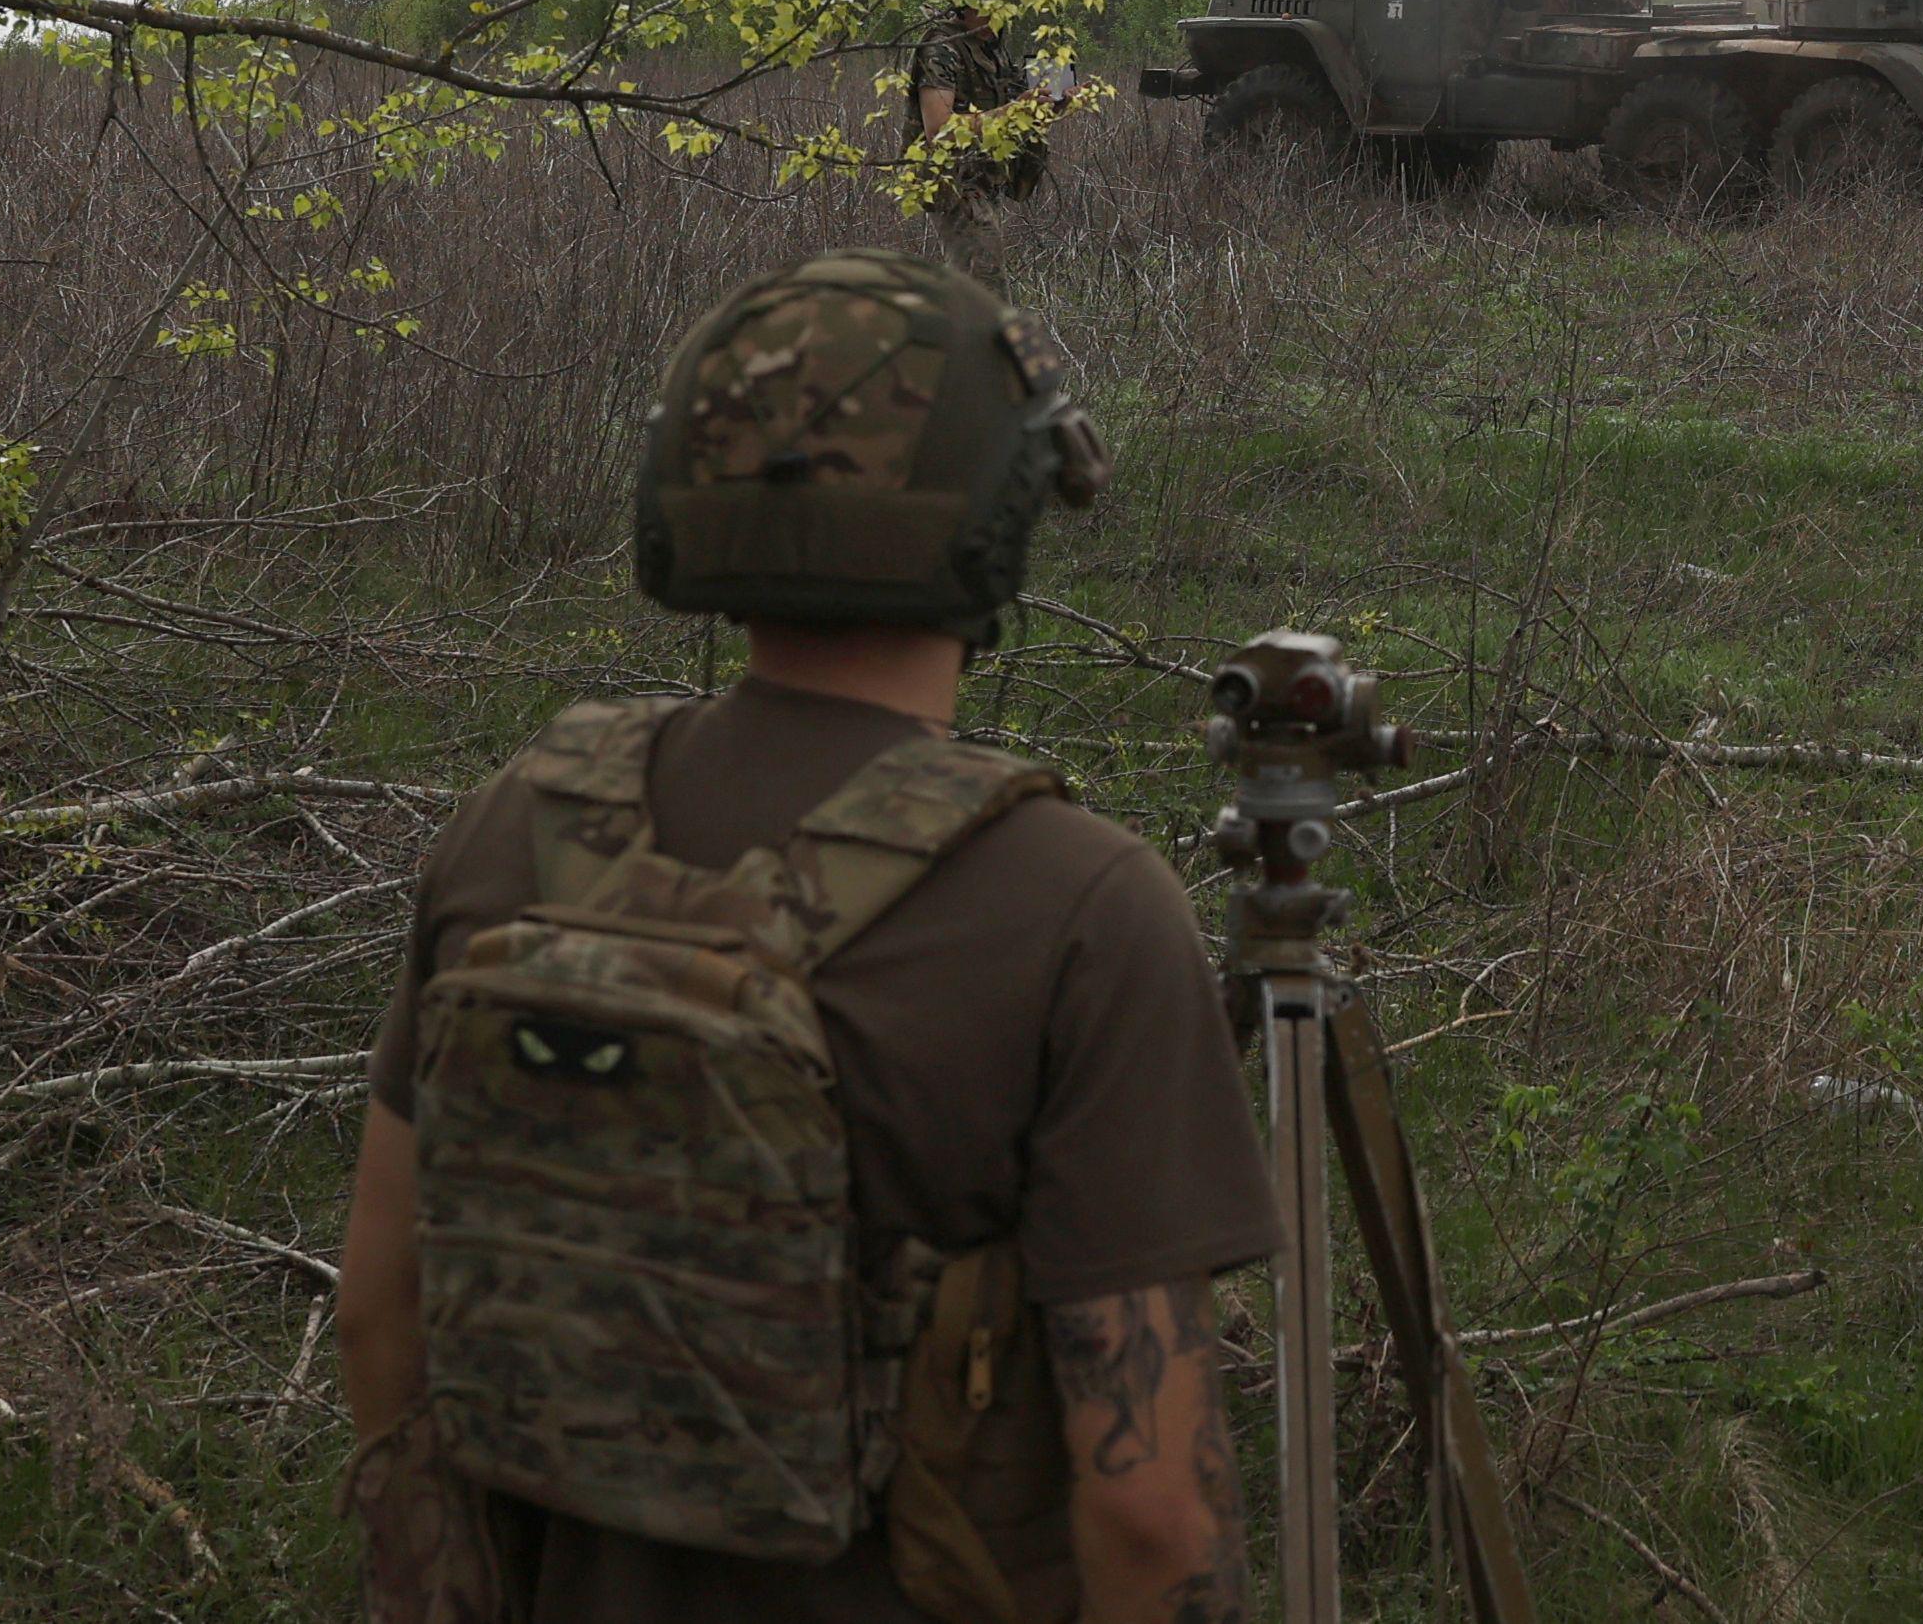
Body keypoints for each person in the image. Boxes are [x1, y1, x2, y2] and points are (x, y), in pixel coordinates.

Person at [336, 250, 1274, 1624]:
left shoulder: (513, 828)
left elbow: (379, 1316)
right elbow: (1148, 1517)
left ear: (683, 506)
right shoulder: (1083, 909)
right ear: (1000, 519)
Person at [907, 0, 1062, 210]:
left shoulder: (988, 44)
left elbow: (1006, 98)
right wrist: (1013, 112)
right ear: (962, 4)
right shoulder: (940, 48)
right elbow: (939, 130)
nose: (995, 19)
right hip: (955, 186)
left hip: (985, 179)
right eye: (986, 10)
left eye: (1001, 10)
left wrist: (1049, 104)